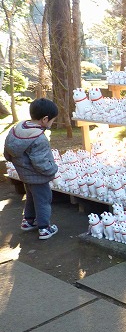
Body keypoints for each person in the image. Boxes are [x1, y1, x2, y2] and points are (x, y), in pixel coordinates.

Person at [4, 98, 60, 239]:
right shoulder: (38, 139)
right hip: (38, 176)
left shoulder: (17, 130)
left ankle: (28, 220)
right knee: (43, 200)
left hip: (24, 175)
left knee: (31, 197)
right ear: (45, 119)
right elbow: (40, 163)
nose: (52, 123)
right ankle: (44, 228)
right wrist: (53, 169)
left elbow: (7, 151)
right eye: (52, 120)